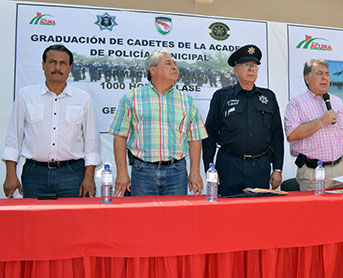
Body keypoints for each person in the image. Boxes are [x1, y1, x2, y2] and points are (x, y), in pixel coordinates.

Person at [2, 44, 101, 198]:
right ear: (43, 65)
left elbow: (91, 142)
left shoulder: (82, 99)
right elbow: (13, 139)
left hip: (72, 174)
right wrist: (10, 173)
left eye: (63, 63)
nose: (57, 67)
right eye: (52, 62)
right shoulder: (26, 96)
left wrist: (89, 177)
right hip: (35, 174)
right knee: (35, 220)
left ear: (70, 68)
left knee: (72, 220)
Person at [109, 49, 207, 196]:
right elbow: (119, 136)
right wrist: (122, 173)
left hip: (177, 172)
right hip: (142, 171)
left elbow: (195, 138)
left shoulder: (186, 100)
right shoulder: (132, 98)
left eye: (175, 64)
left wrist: (194, 172)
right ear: (152, 69)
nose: (175, 67)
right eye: (168, 63)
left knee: (175, 217)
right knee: (142, 217)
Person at [202, 45, 284, 196]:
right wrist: (210, 169)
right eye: (246, 65)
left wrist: (277, 168)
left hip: (260, 165)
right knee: (227, 212)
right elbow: (210, 134)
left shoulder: (268, 97)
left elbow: (277, 135)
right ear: (236, 70)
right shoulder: (222, 97)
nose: (251, 69)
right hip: (229, 164)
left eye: (254, 66)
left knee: (259, 212)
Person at [285, 58, 343, 190]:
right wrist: (321, 121)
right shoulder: (296, 103)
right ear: (307, 79)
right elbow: (292, 134)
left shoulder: (338, 101)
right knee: (316, 211)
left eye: (327, 74)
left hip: (341, 170)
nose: (324, 77)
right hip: (313, 173)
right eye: (319, 73)